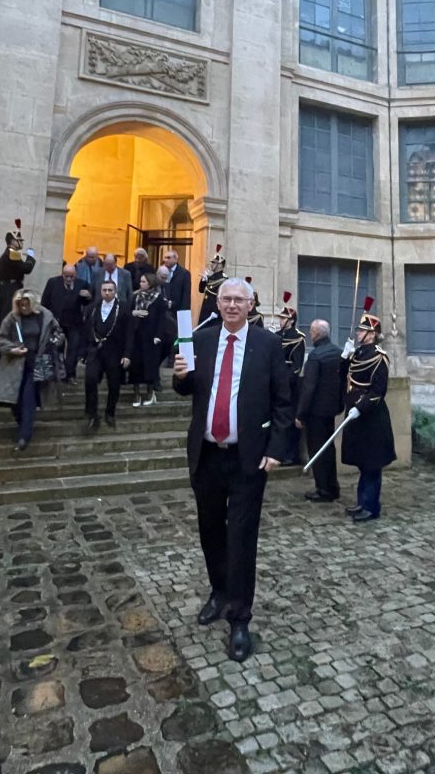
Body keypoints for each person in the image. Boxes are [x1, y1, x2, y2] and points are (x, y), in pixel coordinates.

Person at [173, 277, 291, 663]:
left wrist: (276, 449)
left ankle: (239, 618)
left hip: (248, 459)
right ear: (218, 303)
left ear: (252, 303)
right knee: (210, 531)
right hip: (206, 455)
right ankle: (219, 592)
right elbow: (188, 387)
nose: (232, 305)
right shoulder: (201, 339)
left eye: (240, 299)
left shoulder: (268, 345)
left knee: (241, 537)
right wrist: (180, 376)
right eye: (226, 298)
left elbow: (283, 402)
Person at [340, 309, 396, 523]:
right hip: (357, 417)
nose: (358, 333)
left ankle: (371, 507)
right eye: (359, 330)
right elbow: (343, 377)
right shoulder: (358, 354)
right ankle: (363, 502)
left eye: (363, 330)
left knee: (372, 465)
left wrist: (360, 407)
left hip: (371, 418)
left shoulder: (379, 358)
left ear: (372, 334)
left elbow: (378, 391)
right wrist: (344, 358)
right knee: (363, 463)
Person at [0, 290, 63, 452]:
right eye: (20, 304)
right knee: (15, 402)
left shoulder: (45, 316)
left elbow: (59, 334)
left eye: (26, 304)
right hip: (15, 364)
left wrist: (54, 342)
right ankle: (23, 423)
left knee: (28, 399)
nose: (23, 307)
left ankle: (24, 436)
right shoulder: (12, 318)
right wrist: (12, 349)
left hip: (36, 363)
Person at [296, 319, 343, 502]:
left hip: (316, 412)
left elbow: (309, 388)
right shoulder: (337, 353)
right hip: (330, 410)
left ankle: (323, 488)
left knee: (317, 449)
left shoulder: (315, 357)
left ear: (315, 334)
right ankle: (333, 486)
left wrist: (301, 413)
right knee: (328, 448)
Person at [82, 281, 132, 432]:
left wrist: (127, 354)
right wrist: (84, 352)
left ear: (115, 291)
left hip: (114, 351)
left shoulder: (123, 308)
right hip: (95, 351)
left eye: (110, 290)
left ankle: (110, 412)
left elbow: (129, 333)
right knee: (90, 379)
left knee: (114, 383)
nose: (107, 292)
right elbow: (86, 330)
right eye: (104, 290)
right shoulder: (93, 308)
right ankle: (92, 414)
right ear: (100, 291)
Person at [41, 264, 92, 383]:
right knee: (57, 348)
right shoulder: (53, 282)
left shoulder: (82, 284)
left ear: (75, 275)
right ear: (62, 274)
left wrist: (88, 296)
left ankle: (70, 374)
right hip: (56, 322)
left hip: (74, 322)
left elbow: (88, 303)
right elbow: (45, 301)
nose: (69, 279)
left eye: (71, 276)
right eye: (66, 276)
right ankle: (58, 373)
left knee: (73, 349)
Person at [275, 292, 305, 466]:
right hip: (275, 381)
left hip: (289, 384)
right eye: (280, 318)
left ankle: (291, 455)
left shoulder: (298, 338)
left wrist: (285, 381)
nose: (280, 321)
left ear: (291, 320)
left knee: (290, 421)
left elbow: (297, 366)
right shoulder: (277, 335)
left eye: (283, 318)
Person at [128, 272, 165, 406]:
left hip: (151, 335)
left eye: (144, 282)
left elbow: (162, 319)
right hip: (137, 334)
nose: (141, 284)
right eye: (141, 281)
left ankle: (150, 392)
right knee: (136, 364)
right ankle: (136, 393)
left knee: (150, 364)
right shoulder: (135, 297)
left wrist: (158, 335)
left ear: (150, 283)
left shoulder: (158, 298)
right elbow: (127, 312)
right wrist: (135, 313)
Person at [0, 220, 37, 329]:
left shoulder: (9, 253)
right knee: (10, 318)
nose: (21, 242)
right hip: (11, 290)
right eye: (19, 240)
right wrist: (31, 257)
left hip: (7, 289)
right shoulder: (13, 253)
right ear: (12, 241)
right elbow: (27, 269)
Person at [197, 245, 227, 326]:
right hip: (205, 310)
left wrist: (216, 311)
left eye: (214, 263)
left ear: (220, 265)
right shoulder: (211, 277)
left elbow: (222, 299)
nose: (212, 265)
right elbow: (201, 290)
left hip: (214, 313)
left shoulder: (223, 280)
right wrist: (203, 280)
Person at [163, 249, 191, 316]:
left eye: (168, 258)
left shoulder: (184, 273)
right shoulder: (161, 271)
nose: (166, 260)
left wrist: (184, 312)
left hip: (178, 310)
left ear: (175, 259)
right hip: (164, 310)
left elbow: (186, 295)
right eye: (165, 258)